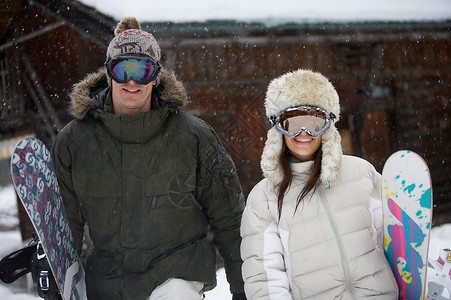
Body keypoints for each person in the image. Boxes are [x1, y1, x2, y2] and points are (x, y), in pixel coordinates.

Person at [51, 17, 246, 300]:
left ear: (155, 76)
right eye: (122, 69)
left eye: (142, 70)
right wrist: (57, 277)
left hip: (175, 278)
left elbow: (229, 220)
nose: (132, 80)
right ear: (108, 74)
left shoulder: (192, 137)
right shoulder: (74, 141)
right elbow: (66, 225)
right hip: (106, 284)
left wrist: (242, 289)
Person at [240, 69, 398, 299]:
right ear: (278, 130)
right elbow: (265, 279)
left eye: (314, 123)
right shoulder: (263, 199)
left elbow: (395, 239)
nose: (303, 133)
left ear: (328, 125)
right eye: (292, 123)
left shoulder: (360, 172)